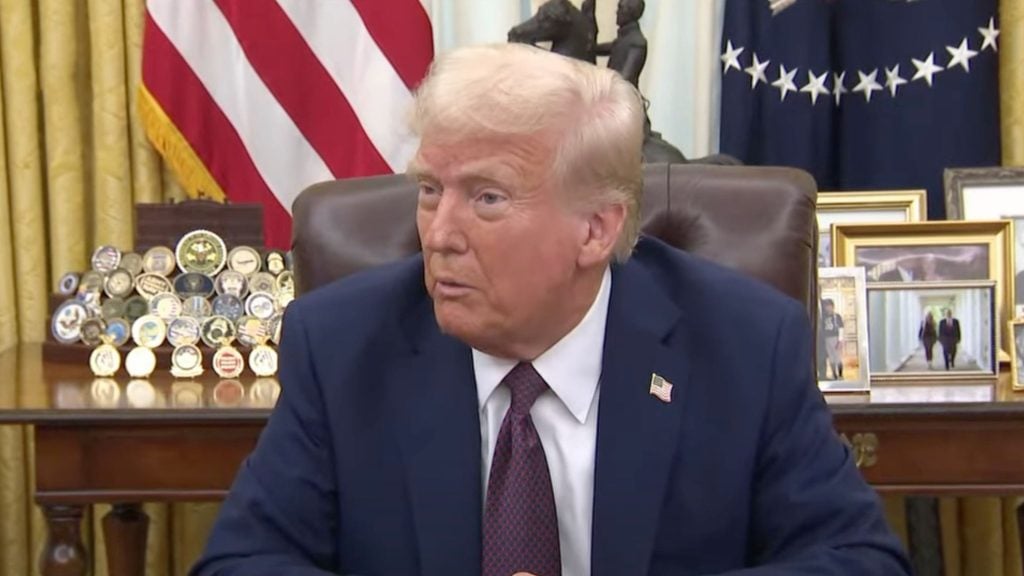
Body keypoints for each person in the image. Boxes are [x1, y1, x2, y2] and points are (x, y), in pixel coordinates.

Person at [191, 44, 908, 576]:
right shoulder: (344, 344)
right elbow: (242, 562)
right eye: (432, 189)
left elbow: (858, 560)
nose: (438, 234)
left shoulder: (744, 343)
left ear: (595, 229)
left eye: (488, 198)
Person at [593, 0, 647, 88]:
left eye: (620, 8)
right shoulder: (624, 38)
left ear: (630, 12)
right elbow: (606, 48)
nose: (617, 12)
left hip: (621, 97)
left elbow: (625, 78)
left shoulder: (637, 43)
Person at [820, 298, 844, 380]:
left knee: (838, 357)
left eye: (829, 306)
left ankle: (840, 375)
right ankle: (834, 375)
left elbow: (841, 328)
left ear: (832, 306)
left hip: (835, 338)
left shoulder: (837, 316)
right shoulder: (824, 318)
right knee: (831, 357)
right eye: (826, 306)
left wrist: (840, 340)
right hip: (827, 338)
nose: (828, 308)